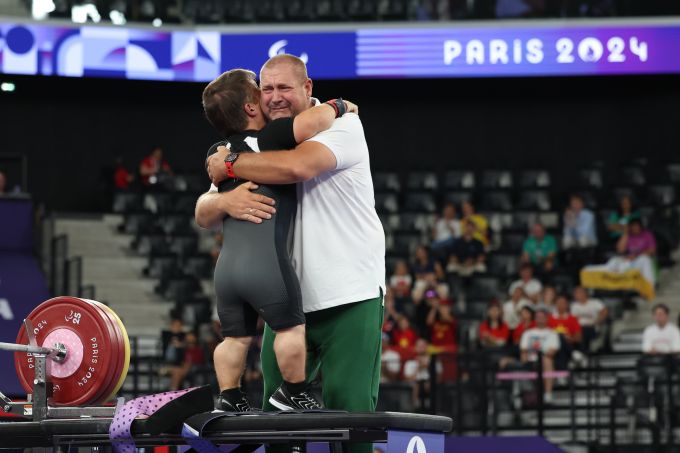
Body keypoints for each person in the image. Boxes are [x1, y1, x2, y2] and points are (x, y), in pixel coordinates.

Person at [198, 55, 385, 451]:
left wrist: (229, 163)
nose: (276, 97)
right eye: (267, 89)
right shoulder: (260, 139)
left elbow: (297, 167)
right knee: (277, 425)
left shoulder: (343, 125)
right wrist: (224, 204)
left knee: (351, 421)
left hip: (348, 296)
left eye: (285, 88)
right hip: (286, 302)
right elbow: (203, 210)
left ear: (308, 88)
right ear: (256, 98)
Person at [520, 306, 560, 403]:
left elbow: (552, 351)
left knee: (547, 360)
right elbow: (523, 349)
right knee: (524, 356)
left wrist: (538, 352)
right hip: (529, 360)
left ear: (547, 318)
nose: (540, 319)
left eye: (542, 317)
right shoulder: (528, 333)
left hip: (544, 361)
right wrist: (541, 350)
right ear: (535, 319)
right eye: (538, 317)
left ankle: (548, 394)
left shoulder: (553, 333)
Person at [549, 294, 583, 369]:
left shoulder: (573, 319)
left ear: (567, 305)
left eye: (563, 303)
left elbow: (578, 337)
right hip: (552, 346)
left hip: (568, 343)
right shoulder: (549, 319)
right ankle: (572, 354)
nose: (561, 305)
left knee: (561, 342)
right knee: (559, 336)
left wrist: (571, 339)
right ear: (555, 305)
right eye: (559, 303)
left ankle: (562, 373)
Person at [571, 286, 608, 352]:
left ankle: (584, 353)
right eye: (575, 293)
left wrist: (599, 320)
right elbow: (572, 319)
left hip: (593, 328)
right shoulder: (573, 305)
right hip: (578, 329)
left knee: (584, 331)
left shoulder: (595, 302)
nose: (576, 294)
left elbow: (604, 312)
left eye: (578, 292)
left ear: (585, 293)